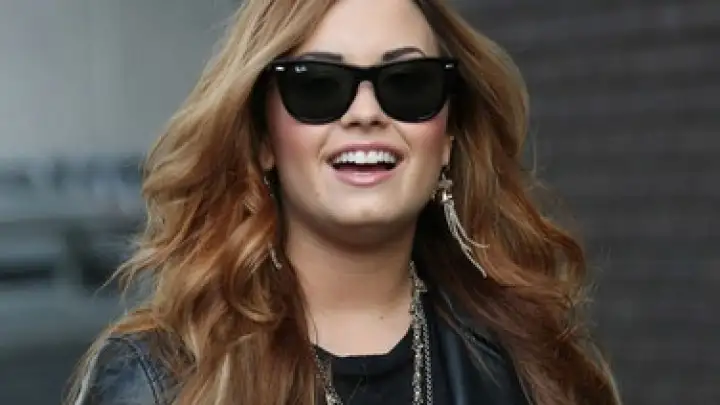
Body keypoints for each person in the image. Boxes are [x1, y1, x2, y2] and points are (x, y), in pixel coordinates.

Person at [66, 0, 622, 404]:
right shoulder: (158, 380)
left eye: (408, 82)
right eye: (317, 85)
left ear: (449, 136)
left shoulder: (530, 362)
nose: (365, 113)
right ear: (263, 138)